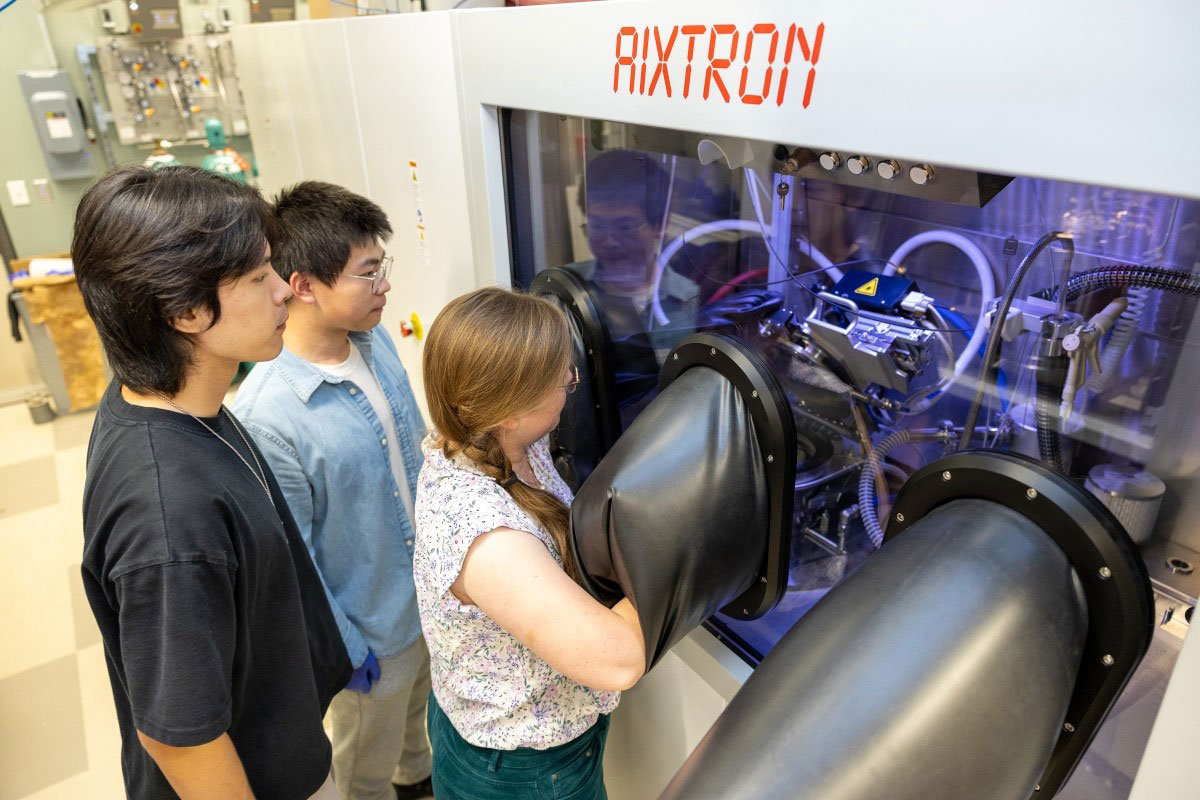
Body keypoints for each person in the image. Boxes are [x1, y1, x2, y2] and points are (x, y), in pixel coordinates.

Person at [75, 165, 350, 800]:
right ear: (185, 310)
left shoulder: (167, 400)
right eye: (259, 277)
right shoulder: (170, 515)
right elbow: (181, 735)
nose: (285, 290)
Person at [231, 181, 433, 800]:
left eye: (382, 268)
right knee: (361, 772)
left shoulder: (376, 343)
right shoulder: (269, 415)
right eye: (367, 273)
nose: (385, 286)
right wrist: (345, 650)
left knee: (417, 738)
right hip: (370, 631)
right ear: (303, 285)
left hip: (432, 599)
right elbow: (296, 563)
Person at [414, 286, 647, 800]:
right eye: (561, 377)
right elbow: (620, 660)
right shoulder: (491, 541)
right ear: (510, 411)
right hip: (524, 772)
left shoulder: (498, 441)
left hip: (516, 733)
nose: (570, 381)